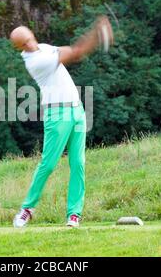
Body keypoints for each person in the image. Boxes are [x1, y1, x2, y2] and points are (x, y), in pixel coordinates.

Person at [9, 16, 114, 227]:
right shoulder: (35, 62)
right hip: (57, 115)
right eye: (25, 43)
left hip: (77, 111)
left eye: (30, 38)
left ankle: (74, 214)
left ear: (31, 33)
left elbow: (70, 49)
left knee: (78, 163)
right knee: (48, 164)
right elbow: (76, 52)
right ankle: (27, 209)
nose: (30, 43)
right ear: (20, 47)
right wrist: (97, 33)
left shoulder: (44, 48)